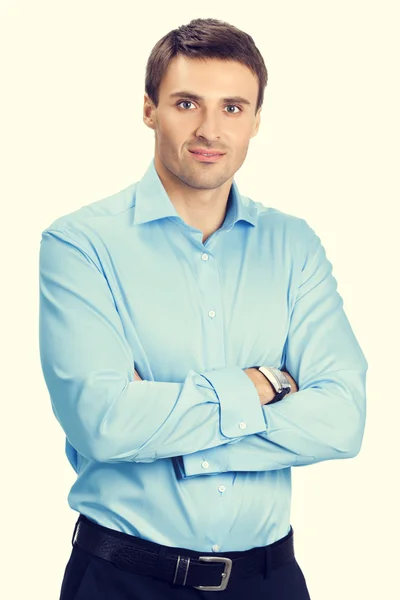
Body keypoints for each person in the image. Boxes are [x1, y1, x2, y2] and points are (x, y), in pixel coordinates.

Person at [39, 17, 368, 600]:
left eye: (233, 108)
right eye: (187, 102)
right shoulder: (80, 244)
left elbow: (342, 420)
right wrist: (261, 384)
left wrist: (170, 429)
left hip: (269, 581)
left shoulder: (294, 246)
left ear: (257, 120)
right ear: (149, 109)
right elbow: (101, 422)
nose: (210, 129)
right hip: (122, 579)